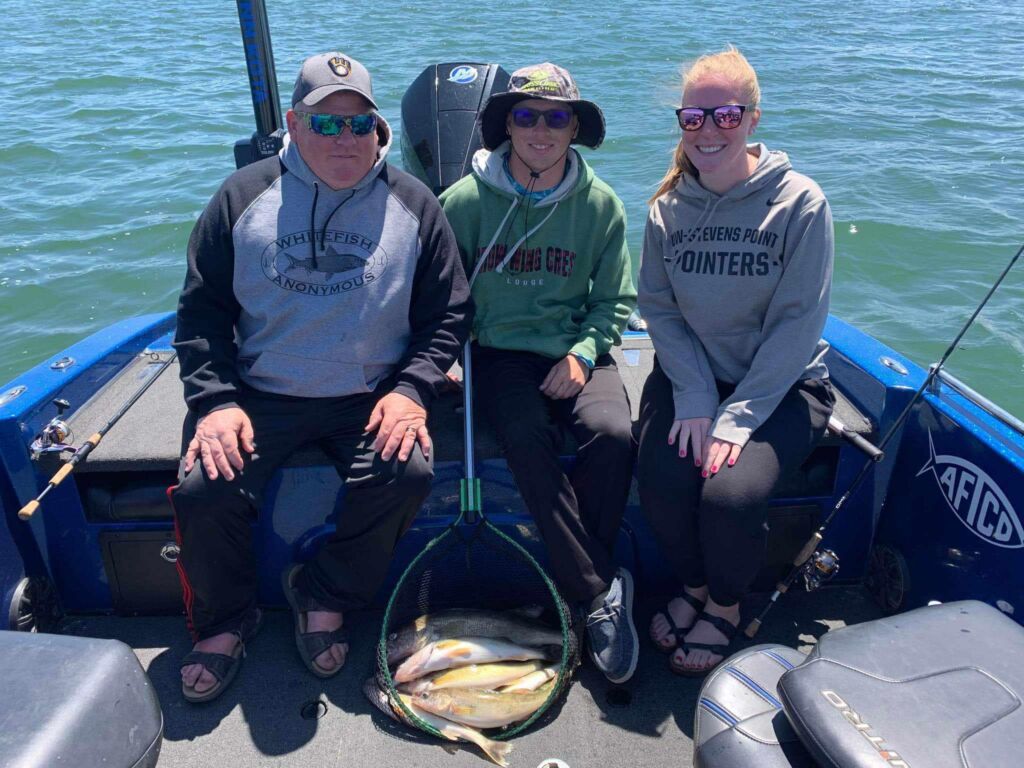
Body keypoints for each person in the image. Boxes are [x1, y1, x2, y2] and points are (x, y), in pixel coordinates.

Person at [170, 51, 471, 702]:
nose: (345, 139)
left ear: (379, 130)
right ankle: (227, 620)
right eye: (326, 124)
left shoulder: (414, 203)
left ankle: (324, 590)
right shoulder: (241, 198)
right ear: (293, 124)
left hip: (372, 390)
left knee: (407, 472)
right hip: (260, 391)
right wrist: (216, 401)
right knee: (202, 488)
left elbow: (449, 313)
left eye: (358, 125)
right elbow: (200, 315)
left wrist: (413, 388)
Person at [638, 47, 835, 676]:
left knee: (729, 496)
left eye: (726, 115)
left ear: (752, 118)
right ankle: (694, 585)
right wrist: (697, 399)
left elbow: (797, 324)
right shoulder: (666, 208)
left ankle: (723, 605)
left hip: (783, 388)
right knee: (663, 476)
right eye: (693, 118)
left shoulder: (801, 203)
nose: (709, 131)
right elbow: (659, 310)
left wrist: (738, 416)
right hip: (693, 377)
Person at [439, 63, 639, 684]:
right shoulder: (465, 201)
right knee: (525, 435)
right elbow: (438, 292)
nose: (541, 130)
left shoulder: (601, 204)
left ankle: (584, 580)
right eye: (526, 116)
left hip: (577, 347)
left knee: (613, 435)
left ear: (574, 127)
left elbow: (614, 300)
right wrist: (446, 350)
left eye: (556, 117)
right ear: (507, 126)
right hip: (499, 352)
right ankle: (597, 595)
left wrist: (582, 353)